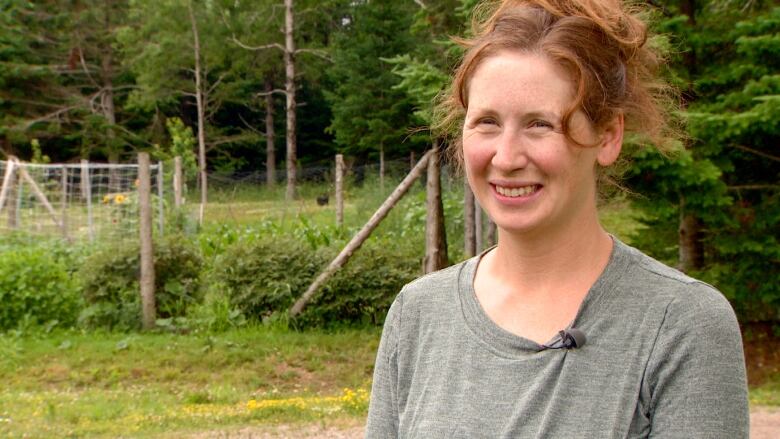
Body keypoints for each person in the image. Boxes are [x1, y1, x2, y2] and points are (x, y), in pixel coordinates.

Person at [365, 0, 749, 437]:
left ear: (608, 135)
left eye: (540, 125)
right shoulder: (416, 314)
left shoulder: (681, 324)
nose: (506, 158)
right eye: (487, 122)